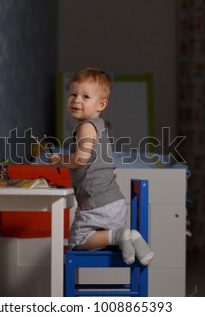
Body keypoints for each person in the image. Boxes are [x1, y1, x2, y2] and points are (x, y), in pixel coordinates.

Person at [49, 67, 154, 265]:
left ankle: (118, 235)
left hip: (97, 204)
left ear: (101, 105)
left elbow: (81, 159)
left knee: (77, 240)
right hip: (114, 204)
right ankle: (132, 239)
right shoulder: (98, 125)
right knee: (99, 236)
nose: (76, 100)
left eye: (85, 96)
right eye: (73, 94)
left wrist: (60, 161)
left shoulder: (86, 127)